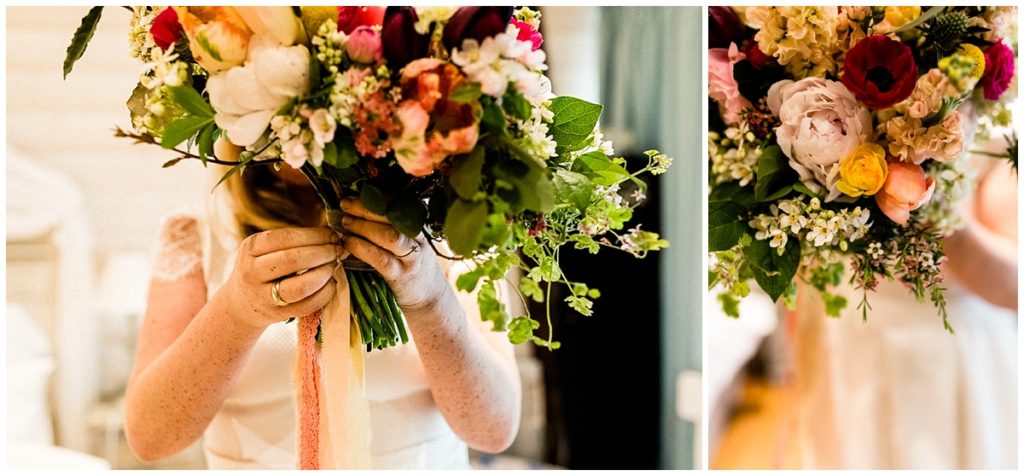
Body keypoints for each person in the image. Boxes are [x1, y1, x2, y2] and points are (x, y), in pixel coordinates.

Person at [123, 159, 521, 469]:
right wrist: (237, 313)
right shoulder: (199, 237)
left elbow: (494, 429)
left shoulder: (446, 228)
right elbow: (150, 438)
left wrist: (431, 299)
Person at [793, 151, 1018, 470]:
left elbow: (1014, 287)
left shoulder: (1001, 129)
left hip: (954, 356)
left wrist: (940, 215)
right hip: (847, 343)